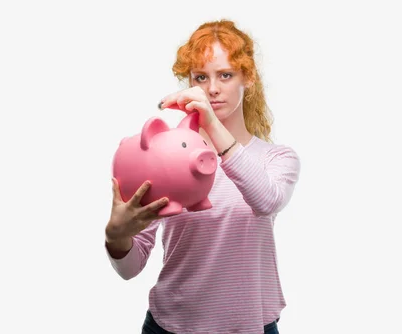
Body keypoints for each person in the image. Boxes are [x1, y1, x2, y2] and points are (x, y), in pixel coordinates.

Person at [104, 19, 301, 334]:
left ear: (247, 78)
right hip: (170, 327)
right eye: (201, 77)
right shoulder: (166, 158)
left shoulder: (276, 158)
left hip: (250, 326)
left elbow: (266, 201)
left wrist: (212, 124)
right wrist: (116, 238)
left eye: (225, 75)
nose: (212, 89)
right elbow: (131, 267)